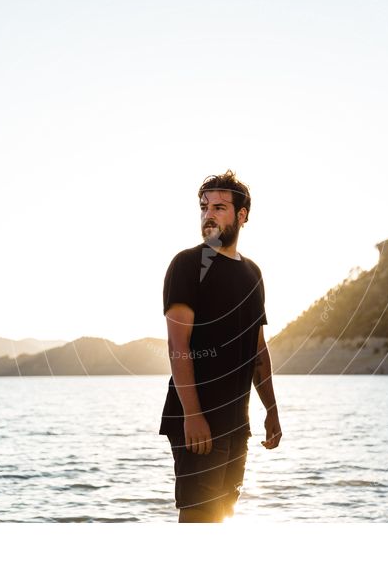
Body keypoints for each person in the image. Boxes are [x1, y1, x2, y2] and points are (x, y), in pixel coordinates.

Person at [159, 169, 282, 523]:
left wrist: (271, 409)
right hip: (197, 420)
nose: (208, 214)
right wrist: (193, 416)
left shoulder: (253, 273)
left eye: (219, 207)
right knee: (199, 518)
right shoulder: (187, 264)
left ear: (242, 215)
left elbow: (258, 350)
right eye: (204, 207)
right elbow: (176, 344)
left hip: (236, 422)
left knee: (224, 517)